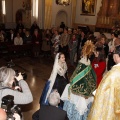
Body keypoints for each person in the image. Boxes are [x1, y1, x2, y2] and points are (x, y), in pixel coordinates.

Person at [61, 40, 96, 120]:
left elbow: (76, 74)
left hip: (79, 90)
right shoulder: (89, 62)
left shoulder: (82, 62)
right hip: (87, 88)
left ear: (83, 52)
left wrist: (71, 80)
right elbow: (92, 76)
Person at [87, 45, 120, 120]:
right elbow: (91, 68)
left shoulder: (112, 72)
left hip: (97, 81)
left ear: (117, 56)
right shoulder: (95, 60)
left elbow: (98, 73)